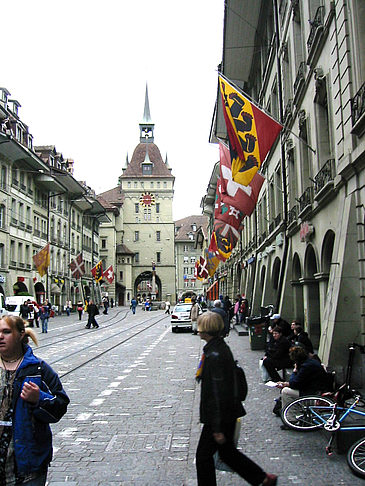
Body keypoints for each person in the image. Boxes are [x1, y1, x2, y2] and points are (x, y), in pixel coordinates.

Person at [195, 311, 278, 486]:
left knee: (203, 457)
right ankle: (263, 479)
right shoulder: (218, 348)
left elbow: (217, 392)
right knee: (227, 454)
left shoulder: (215, 354)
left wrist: (216, 427)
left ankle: (263, 478)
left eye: (200, 325)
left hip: (220, 416)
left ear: (206, 329)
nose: (197, 328)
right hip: (227, 412)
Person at [0, 315, 69, 485]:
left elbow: (60, 406)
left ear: (21, 334)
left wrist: (39, 398)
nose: (0, 336)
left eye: (6, 332)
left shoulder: (38, 369)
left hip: (28, 466)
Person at [276, 346, 330, 413]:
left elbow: (294, 384)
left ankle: (291, 418)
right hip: (316, 389)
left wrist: (294, 371)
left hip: (314, 394)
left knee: (285, 392)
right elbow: (300, 380)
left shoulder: (306, 366)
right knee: (288, 389)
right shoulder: (310, 362)